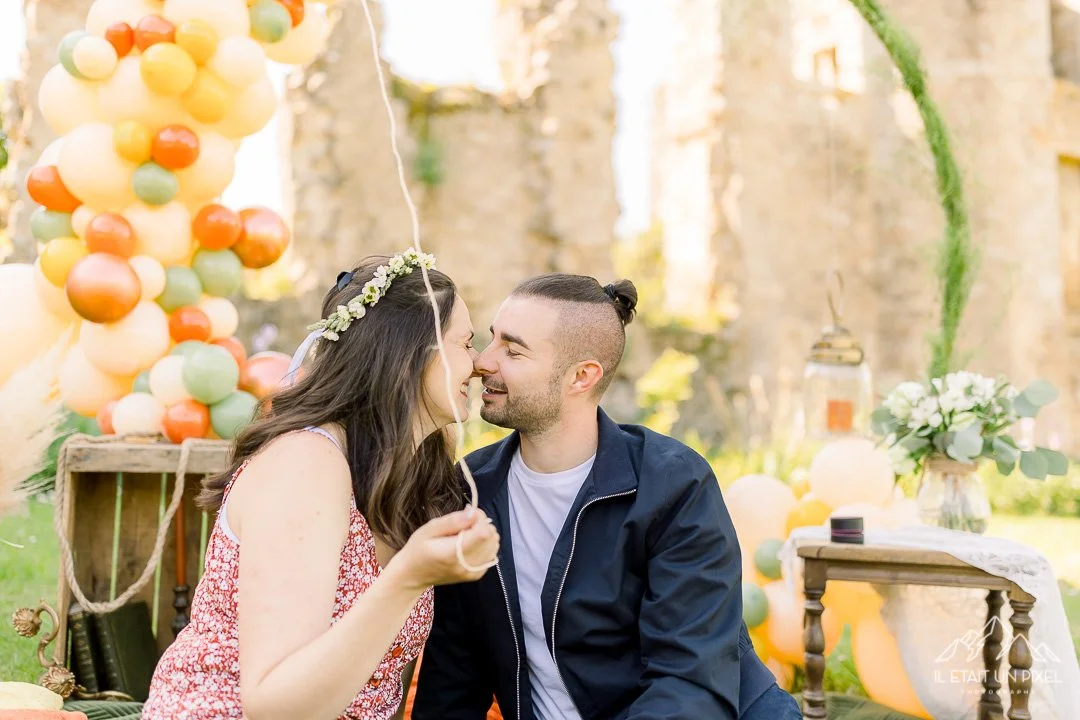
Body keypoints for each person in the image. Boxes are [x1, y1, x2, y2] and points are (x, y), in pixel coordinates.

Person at [413, 274, 800, 719]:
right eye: (490, 339)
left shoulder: (673, 486)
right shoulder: (469, 490)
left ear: (582, 376)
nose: (483, 362)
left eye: (513, 350)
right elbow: (454, 677)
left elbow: (688, 684)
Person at [143, 250, 500, 720]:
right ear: (409, 353)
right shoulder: (305, 462)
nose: (478, 365)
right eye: (466, 342)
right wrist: (408, 578)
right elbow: (274, 706)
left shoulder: (405, 474)